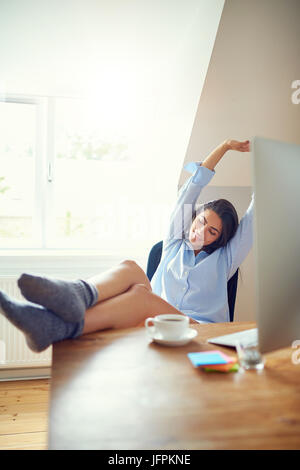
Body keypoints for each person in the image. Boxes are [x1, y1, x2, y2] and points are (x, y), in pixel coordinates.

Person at [0, 139, 252, 353]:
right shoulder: (175, 242)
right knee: (130, 267)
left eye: (212, 232)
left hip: (199, 328)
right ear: (195, 215)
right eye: (201, 221)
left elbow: (254, 219)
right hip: (159, 320)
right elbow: (192, 189)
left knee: (141, 297)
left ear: (219, 239)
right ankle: (73, 296)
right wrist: (226, 146)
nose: (201, 231)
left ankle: (54, 324)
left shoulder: (225, 259)